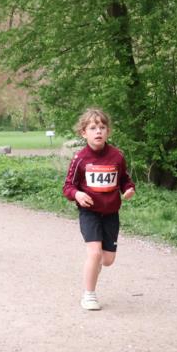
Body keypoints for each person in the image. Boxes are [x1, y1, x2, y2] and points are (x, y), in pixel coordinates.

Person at [62, 108, 135, 311]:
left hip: (111, 214)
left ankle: (94, 268)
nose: (98, 131)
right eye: (93, 128)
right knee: (94, 253)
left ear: (108, 132)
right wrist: (77, 194)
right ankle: (89, 295)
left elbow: (124, 180)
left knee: (107, 260)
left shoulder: (117, 157)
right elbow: (68, 186)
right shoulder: (80, 159)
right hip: (90, 213)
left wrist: (128, 189)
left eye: (102, 127)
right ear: (84, 133)